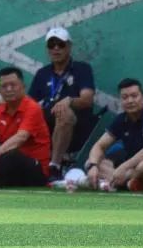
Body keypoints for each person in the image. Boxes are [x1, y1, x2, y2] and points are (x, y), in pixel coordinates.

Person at [83, 78, 143, 192]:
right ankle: (126, 183)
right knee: (90, 162)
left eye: (134, 96)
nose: (130, 101)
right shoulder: (121, 119)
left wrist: (123, 167)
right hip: (132, 169)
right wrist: (93, 166)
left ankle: (119, 182)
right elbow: (100, 146)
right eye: (125, 97)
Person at [28, 26, 96, 180]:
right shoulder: (42, 73)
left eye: (61, 44)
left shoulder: (82, 69)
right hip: (46, 120)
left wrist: (69, 100)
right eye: (51, 45)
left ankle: (54, 167)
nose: (56, 48)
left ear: (69, 47)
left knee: (64, 113)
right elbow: (30, 103)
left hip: (77, 122)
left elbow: (87, 99)